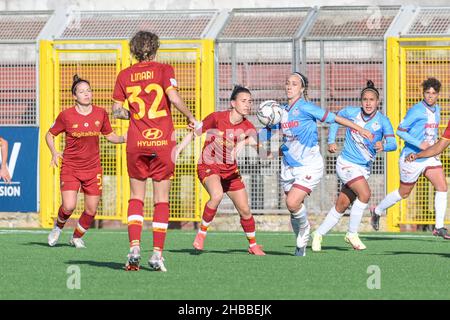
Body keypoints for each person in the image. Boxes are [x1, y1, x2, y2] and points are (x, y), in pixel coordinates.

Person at [258, 72, 373, 256]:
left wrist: (360, 129)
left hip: (309, 165)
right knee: (294, 208)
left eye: (294, 84)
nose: (289, 86)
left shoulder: (306, 108)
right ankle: (301, 248)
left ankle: (306, 230)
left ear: (302, 89)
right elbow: (263, 136)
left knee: (292, 202)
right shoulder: (280, 111)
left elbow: (335, 118)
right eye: (287, 83)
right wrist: (258, 148)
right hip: (288, 166)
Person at [112, 31, 197, 272]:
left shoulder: (124, 74)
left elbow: (116, 110)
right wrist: (190, 116)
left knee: (136, 197)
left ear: (133, 51)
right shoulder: (164, 70)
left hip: (136, 142)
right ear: (156, 49)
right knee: (161, 199)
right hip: (162, 142)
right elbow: (173, 96)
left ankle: (135, 247)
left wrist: (134, 115)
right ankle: (157, 254)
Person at [176, 85, 270, 255]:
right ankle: (201, 234)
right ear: (233, 103)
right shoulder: (217, 118)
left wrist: (246, 142)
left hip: (230, 172)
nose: (248, 105)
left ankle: (253, 245)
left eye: (250, 102)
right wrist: (177, 149)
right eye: (243, 101)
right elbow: (194, 132)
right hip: (209, 166)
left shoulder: (248, 126)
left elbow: (263, 153)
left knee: (245, 210)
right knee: (217, 195)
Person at [311, 81, 397, 251]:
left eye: (372, 99)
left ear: (377, 101)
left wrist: (383, 146)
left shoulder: (383, 121)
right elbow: (335, 120)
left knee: (342, 205)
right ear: (361, 101)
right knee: (365, 194)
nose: (368, 103)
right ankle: (352, 233)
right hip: (346, 164)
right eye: (365, 99)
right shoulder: (351, 112)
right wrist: (331, 140)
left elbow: (393, 144)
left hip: (363, 169)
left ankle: (318, 234)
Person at [46, 74, 126, 248]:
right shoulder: (66, 115)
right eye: (82, 92)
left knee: (91, 210)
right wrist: (54, 152)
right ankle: (58, 228)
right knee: (68, 206)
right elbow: (49, 134)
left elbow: (110, 136)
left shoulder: (100, 113)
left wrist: (124, 138)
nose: (86, 94)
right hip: (71, 168)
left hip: (93, 169)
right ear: (74, 96)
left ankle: (76, 237)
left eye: (88, 90)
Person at [370, 77, 450, 240]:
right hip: (411, 157)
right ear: (423, 93)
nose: (430, 96)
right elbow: (400, 130)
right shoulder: (416, 110)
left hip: (429, 157)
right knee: (404, 193)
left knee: (442, 186)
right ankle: (377, 211)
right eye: (427, 93)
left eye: (433, 94)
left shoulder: (438, 109)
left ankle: (439, 227)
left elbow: (432, 133)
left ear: (438, 95)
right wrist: (419, 144)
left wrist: (435, 147)